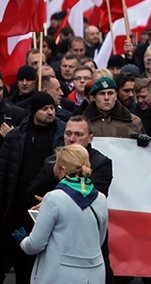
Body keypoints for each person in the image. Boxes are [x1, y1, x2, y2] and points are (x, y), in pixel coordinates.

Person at [14, 145, 108, 284]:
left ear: (63, 169)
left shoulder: (53, 198)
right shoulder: (100, 198)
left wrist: (23, 240)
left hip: (59, 275)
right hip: (94, 275)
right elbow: (98, 241)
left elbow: (35, 244)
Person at [0, 92, 65, 283]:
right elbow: (4, 170)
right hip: (19, 207)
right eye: (45, 109)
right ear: (34, 111)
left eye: (52, 108)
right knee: (21, 257)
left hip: (49, 205)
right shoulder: (16, 136)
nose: (50, 112)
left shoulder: (62, 135)